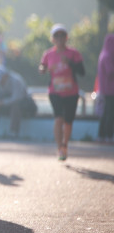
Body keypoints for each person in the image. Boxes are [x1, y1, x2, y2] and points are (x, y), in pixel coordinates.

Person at [39, 24, 85, 160]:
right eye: (56, 35)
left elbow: (82, 72)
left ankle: (65, 144)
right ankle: (60, 148)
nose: (59, 38)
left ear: (66, 37)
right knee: (59, 118)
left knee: (68, 121)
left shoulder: (74, 53)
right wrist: (42, 69)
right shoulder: (48, 54)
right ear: (52, 38)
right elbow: (42, 67)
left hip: (71, 92)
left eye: (62, 35)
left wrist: (69, 63)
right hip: (55, 92)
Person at [0, 66, 37, 137]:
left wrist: (1, 103)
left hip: (25, 105)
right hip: (7, 105)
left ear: (5, 76)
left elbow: (17, 98)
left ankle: (13, 132)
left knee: (16, 105)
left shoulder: (16, 80)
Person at [97, 33, 114, 142]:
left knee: (106, 113)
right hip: (110, 90)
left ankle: (102, 135)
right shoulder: (108, 56)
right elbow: (110, 72)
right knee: (110, 113)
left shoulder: (103, 54)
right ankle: (108, 135)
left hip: (105, 89)